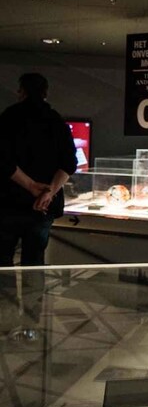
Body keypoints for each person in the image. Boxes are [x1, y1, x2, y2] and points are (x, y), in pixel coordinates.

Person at [0, 73, 77, 268]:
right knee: (34, 263)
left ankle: (4, 299)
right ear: (45, 93)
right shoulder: (56, 121)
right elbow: (69, 163)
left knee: (3, 261)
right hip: (42, 205)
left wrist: (30, 185)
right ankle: (33, 299)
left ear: (22, 92)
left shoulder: (8, 118)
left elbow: (3, 161)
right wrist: (49, 190)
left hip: (8, 202)